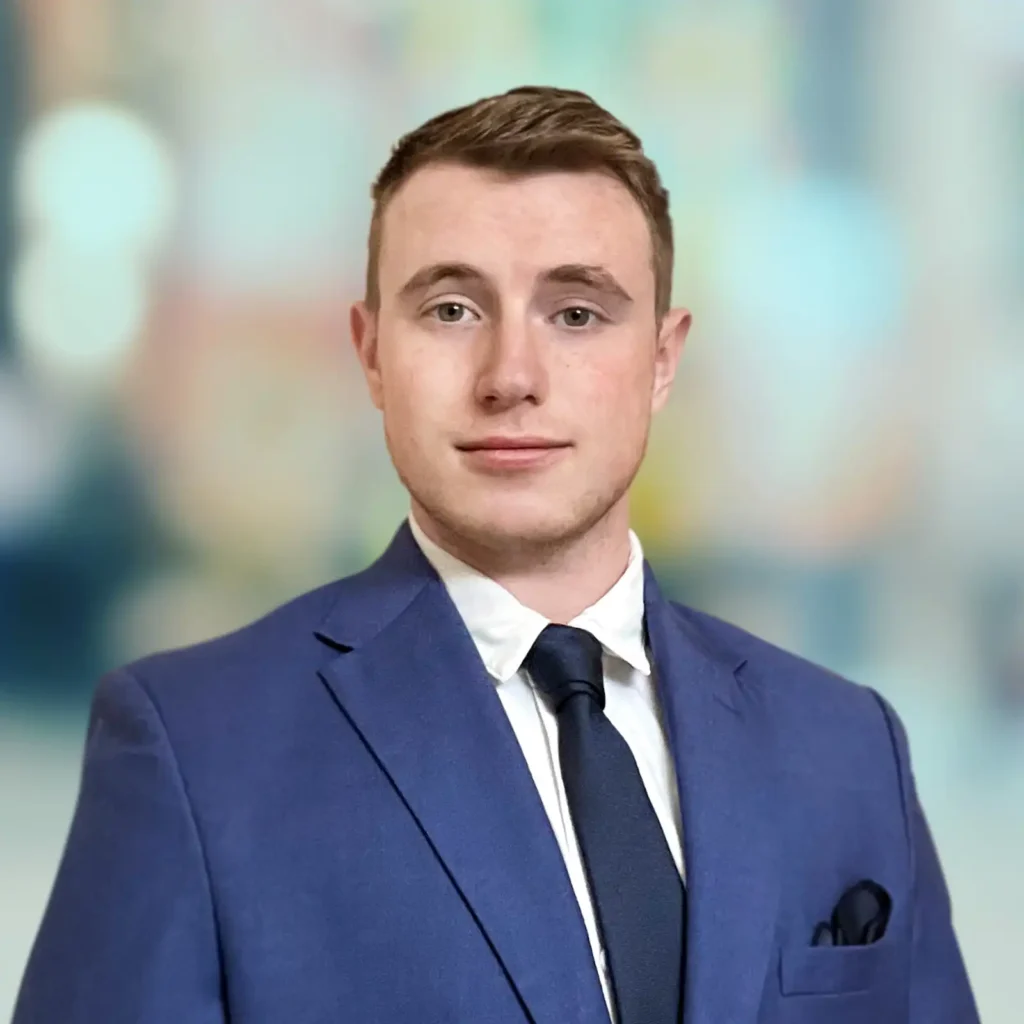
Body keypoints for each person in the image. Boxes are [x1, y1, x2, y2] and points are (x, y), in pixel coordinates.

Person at [14, 86, 978, 1024]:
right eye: (451, 311)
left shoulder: (847, 748)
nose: (511, 378)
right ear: (371, 353)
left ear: (663, 360)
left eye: (577, 314)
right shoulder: (193, 749)